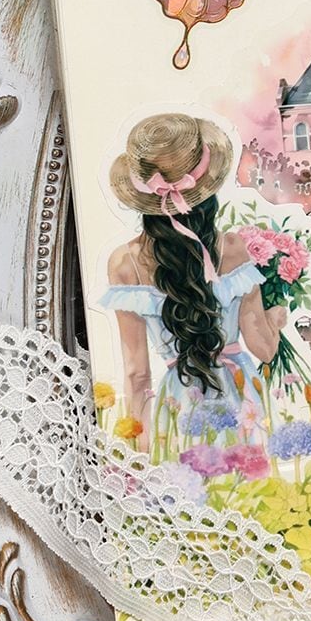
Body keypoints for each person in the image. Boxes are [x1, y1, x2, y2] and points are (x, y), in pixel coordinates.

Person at [104, 113, 286, 460]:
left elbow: (137, 374)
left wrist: (139, 452)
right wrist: (276, 318)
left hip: (179, 405)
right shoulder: (233, 249)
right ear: (208, 193)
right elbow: (264, 349)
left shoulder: (124, 263)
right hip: (240, 400)